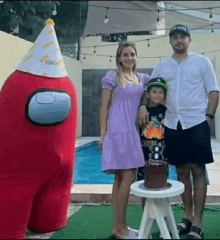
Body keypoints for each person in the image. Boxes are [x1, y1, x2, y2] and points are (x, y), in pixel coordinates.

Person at [138, 24, 219, 239]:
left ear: (189, 40)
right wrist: (143, 105)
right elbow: (149, 90)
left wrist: (208, 117)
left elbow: (213, 91)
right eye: (175, 37)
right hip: (172, 123)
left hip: (196, 121)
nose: (179, 40)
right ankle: (187, 217)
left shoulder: (202, 62)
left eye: (183, 36)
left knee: (198, 171)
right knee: (182, 171)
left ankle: (198, 223)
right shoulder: (163, 65)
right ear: (170, 41)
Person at [99, 42, 150, 239]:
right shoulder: (112, 76)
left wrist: (143, 106)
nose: (129, 58)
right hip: (118, 130)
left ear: (136, 57)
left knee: (121, 177)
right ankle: (119, 228)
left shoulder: (142, 78)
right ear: (119, 57)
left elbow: (154, 91)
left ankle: (119, 227)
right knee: (127, 177)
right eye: (125, 54)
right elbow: (104, 106)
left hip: (132, 131)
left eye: (132, 54)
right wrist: (103, 134)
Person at [137, 77, 167, 209]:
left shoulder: (166, 111)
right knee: (145, 186)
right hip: (144, 156)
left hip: (161, 156)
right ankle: (146, 215)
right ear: (148, 94)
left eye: (161, 92)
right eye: (154, 91)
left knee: (162, 185)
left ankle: (162, 213)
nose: (158, 95)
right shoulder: (141, 112)